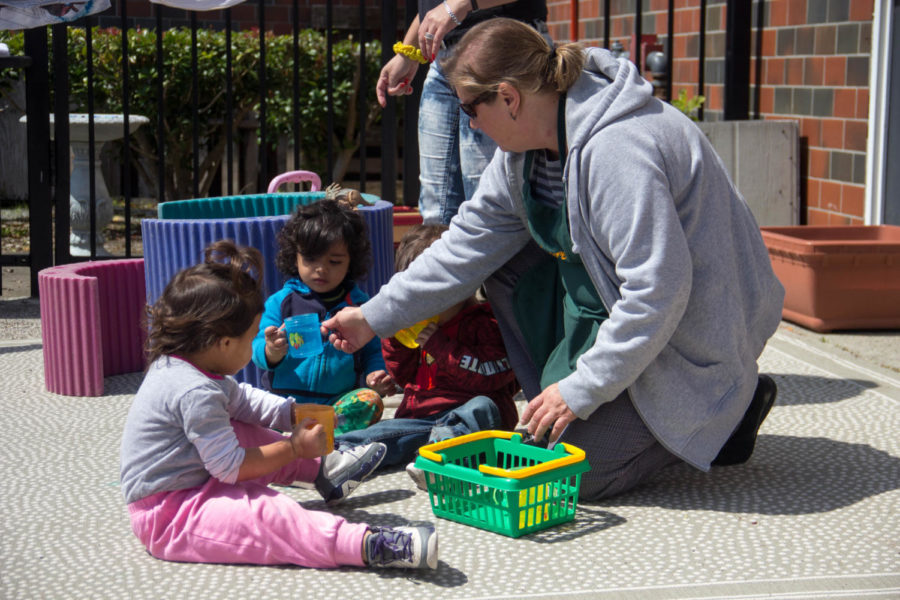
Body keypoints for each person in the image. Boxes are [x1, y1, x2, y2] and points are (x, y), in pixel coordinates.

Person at [324, 18, 786, 501]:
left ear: (508, 97)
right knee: (500, 271)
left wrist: (582, 390)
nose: (469, 123)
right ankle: (566, 407)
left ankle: (728, 408)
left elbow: (659, 293)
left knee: (568, 476)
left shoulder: (617, 152)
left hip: (694, 335)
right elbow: (464, 248)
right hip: (632, 312)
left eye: (468, 109)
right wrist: (371, 318)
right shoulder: (525, 151)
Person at [120, 240, 438, 570]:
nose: (253, 344)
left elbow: (242, 399)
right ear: (223, 342)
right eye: (252, 336)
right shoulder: (193, 391)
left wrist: (291, 414)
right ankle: (367, 545)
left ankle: (325, 471)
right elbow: (231, 467)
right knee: (269, 516)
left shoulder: (188, 365)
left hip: (195, 480)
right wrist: (294, 448)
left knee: (244, 429)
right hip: (172, 515)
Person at [334, 224, 519, 485]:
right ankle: (335, 452)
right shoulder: (416, 323)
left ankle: (441, 459)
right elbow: (405, 375)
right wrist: (395, 339)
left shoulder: (485, 322)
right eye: (414, 292)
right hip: (423, 421)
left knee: (482, 407)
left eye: (432, 289)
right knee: (387, 433)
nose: (423, 300)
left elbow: (492, 376)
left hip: (473, 425)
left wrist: (441, 346)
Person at [377, 0, 548, 224]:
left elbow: (450, 6)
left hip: (501, 52)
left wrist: (462, 4)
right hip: (445, 58)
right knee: (434, 212)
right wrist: (408, 52)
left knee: (490, 207)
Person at [251, 198, 395, 435]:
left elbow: (374, 351)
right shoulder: (281, 302)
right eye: (310, 259)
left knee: (370, 401)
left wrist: (375, 375)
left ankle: (326, 434)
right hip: (286, 404)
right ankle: (307, 435)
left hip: (336, 405)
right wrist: (271, 351)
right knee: (252, 409)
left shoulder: (359, 305)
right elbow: (256, 348)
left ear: (351, 261)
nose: (321, 269)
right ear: (294, 257)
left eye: (334, 261)